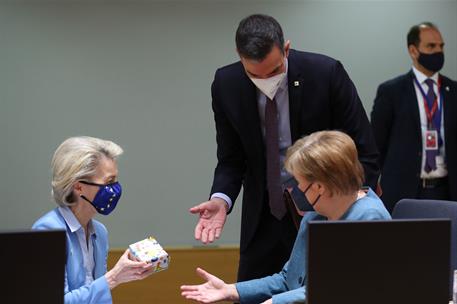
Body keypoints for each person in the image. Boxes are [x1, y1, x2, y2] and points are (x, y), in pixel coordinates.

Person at [189, 14, 380, 281]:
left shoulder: (325, 74)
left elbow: (365, 152)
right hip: (264, 215)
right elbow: (232, 158)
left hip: (326, 212)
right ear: (239, 56)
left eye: (275, 70)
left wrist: (347, 210)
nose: (266, 80)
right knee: (257, 290)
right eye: (255, 74)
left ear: (286, 49)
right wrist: (221, 199)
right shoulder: (226, 84)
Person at [182, 130, 391, 304]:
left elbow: (341, 291)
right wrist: (232, 290)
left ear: (319, 187)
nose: (297, 188)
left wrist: (275, 302)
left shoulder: (369, 219)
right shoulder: (316, 215)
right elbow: (288, 279)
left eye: (301, 183)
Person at [32, 136, 155, 304]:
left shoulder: (100, 232)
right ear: (78, 187)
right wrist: (113, 278)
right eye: (109, 181)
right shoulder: (47, 231)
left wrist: (125, 274)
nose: (116, 188)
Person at [371, 22, 457, 213]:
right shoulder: (391, 92)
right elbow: (376, 146)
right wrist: (368, 190)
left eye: (441, 46)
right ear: (413, 50)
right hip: (404, 191)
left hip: (447, 191)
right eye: (431, 46)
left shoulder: (454, 91)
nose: (438, 52)